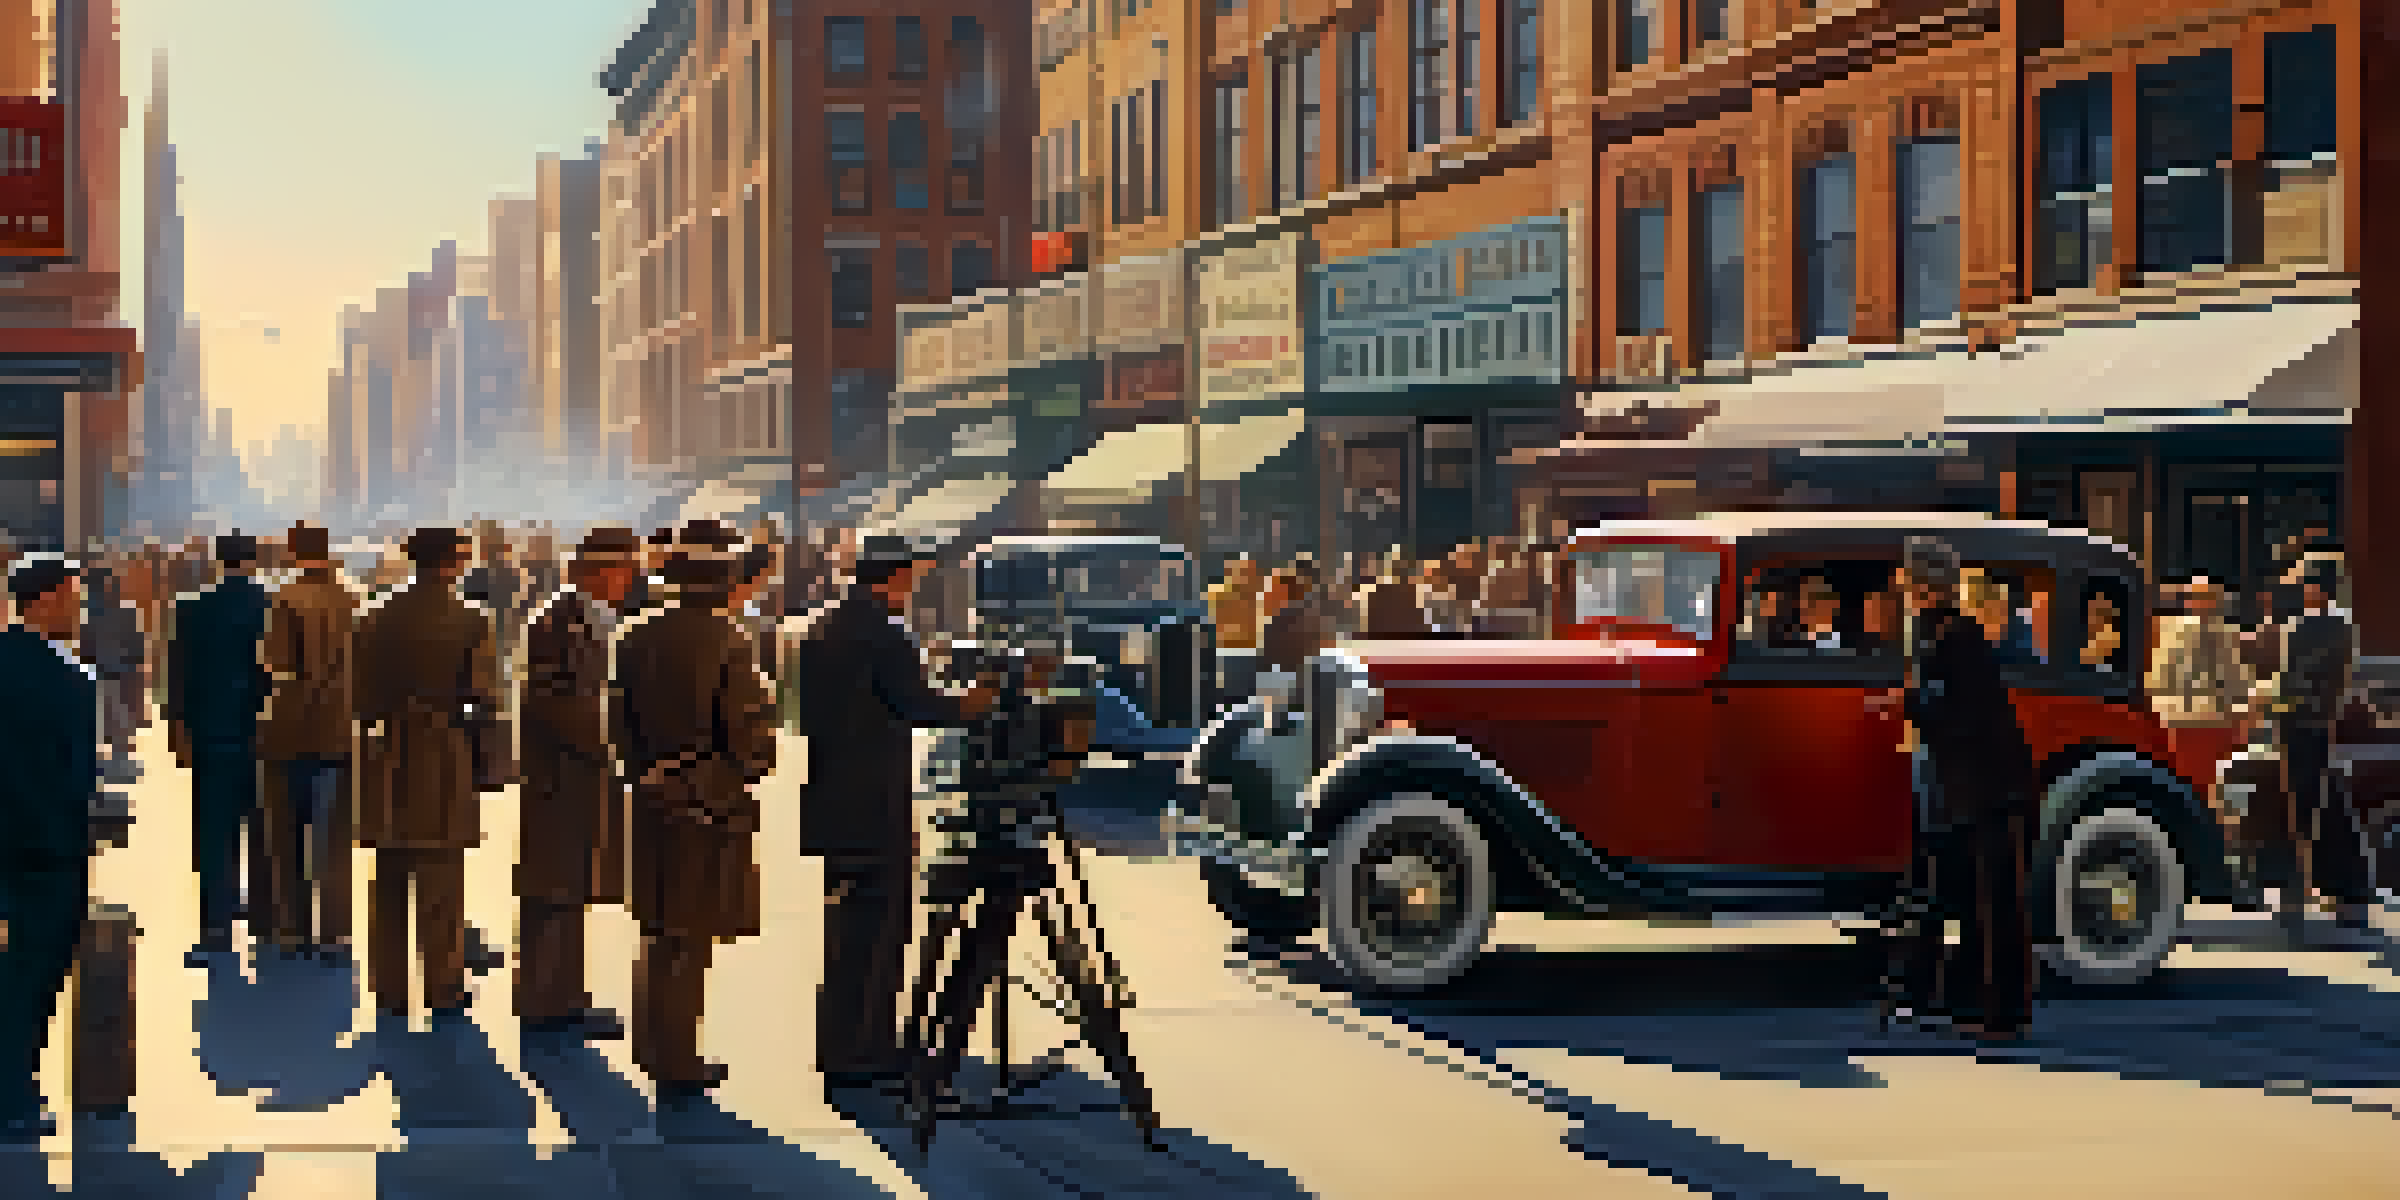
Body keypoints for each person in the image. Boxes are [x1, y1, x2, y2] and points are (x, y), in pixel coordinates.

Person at [796, 534, 993, 1095]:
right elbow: (919, 704)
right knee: (878, 928)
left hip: (834, 795)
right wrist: (973, 702)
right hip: (873, 800)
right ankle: (866, 1050)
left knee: (849, 930)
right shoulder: (881, 632)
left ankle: (843, 1043)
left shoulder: (826, 624)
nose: (915, 587)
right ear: (896, 577)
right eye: (912, 576)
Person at [611, 520, 781, 1107]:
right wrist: (746, 767)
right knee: (691, 938)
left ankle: (652, 1047)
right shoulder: (730, 641)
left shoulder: (633, 636)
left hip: (652, 796)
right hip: (707, 802)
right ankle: (679, 1059)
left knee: (657, 930)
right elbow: (749, 736)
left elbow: (618, 725)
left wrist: (646, 773)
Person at [1874, 537, 2037, 1042]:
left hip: (1989, 786)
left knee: (1994, 903)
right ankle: (1968, 1003)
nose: (1900, 587)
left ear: (1925, 585)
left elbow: (1956, 714)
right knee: (1969, 899)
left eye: (1907, 579)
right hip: (1967, 784)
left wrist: (1907, 705)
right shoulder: (1942, 634)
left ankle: (2001, 1012)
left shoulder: (1957, 638)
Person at [354, 527, 501, 1027]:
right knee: (441, 877)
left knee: (390, 874)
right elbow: (485, 698)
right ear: (454, 562)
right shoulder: (472, 620)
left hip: (386, 751)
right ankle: (443, 984)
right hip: (443, 751)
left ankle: (389, 987)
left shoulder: (373, 616)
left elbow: (359, 698)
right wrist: (488, 765)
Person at [515, 526, 641, 1042]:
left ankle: (563, 995)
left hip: (579, 778)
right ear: (599, 572)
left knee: (571, 890)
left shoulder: (587, 620)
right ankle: (548, 1000)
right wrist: (618, 741)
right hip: (559, 780)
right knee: (554, 891)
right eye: (625, 568)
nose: (632, 578)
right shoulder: (557, 624)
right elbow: (553, 704)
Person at [0, 556, 99, 1140]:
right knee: (35, 974)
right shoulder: (70, 680)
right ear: (50, 598)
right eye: (74, 597)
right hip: (47, 848)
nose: (78, 608)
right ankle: (14, 1093)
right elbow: (76, 778)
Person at [2252, 555, 2374, 936]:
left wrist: (2263, 700)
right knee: (2316, 800)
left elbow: (2295, 677)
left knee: (2308, 803)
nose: (2301, 590)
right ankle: (2339, 891)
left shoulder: (2317, 626)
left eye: (2305, 583)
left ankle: (2325, 890)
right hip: (2311, 722)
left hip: (2303, 721)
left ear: (2319, 588)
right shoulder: (2334, 625)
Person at [256, 522, 361, 965]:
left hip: (289, 729)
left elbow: (275, 661)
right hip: (338, 728)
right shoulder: (353, 598)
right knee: (334, 841)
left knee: (285, 837)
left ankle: (292, 931)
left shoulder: (284, 598)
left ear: (295, 552)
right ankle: (335, 935)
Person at [168, 532, 274, 966]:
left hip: (209, 733)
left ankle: (215, 926)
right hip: (262, 733)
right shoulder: (272, 605)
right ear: (254, 560)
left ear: (218, 561)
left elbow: (178, 674)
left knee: (212, 833)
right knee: (263, 832)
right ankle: (266, 925)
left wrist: (178, 730)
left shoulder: (192, 608)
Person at [80, 562, 148, 782]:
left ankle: (110, 763)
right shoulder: (125, 610)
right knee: (119, 721)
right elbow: (137, 645)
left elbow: (84, 644)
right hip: (118, 670)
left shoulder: (87, 613)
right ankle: (119, 763)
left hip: (101, 671)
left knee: (107, 720)